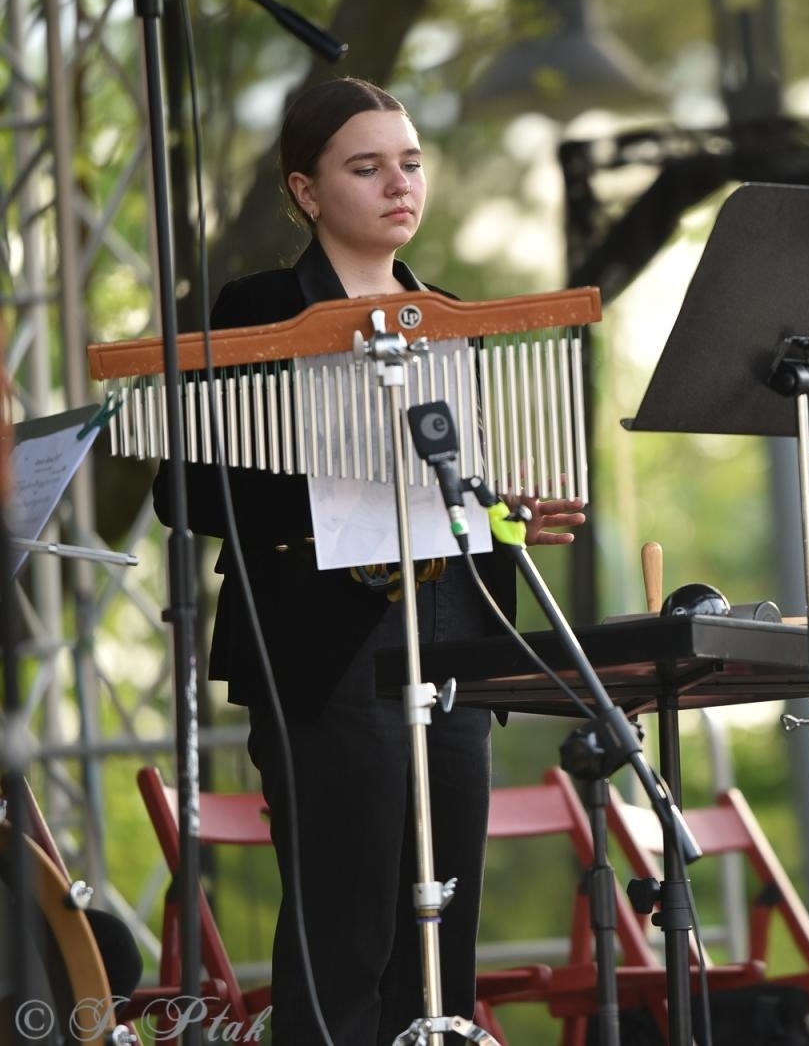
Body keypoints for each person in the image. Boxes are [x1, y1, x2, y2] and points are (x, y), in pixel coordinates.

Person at [153, 77, 586, 1045]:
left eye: (411, 162)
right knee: (345, 940)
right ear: (306, 192)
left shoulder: (448, 313)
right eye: (366, 166)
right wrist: (332, 462)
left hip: (456, 649)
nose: (399, 183)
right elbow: (178, 492)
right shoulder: (260, 308)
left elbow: (451, 492)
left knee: (446, 949)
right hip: (325, 652)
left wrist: (503, 509)